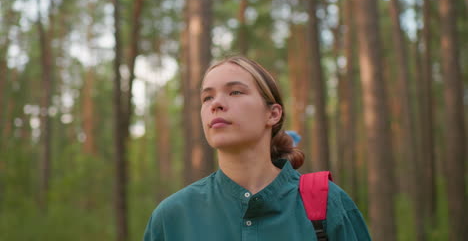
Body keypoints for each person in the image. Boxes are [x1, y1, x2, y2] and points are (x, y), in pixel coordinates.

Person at [143, 56, 371, 241]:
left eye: (235, 92)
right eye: (207, 97)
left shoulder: (328, 202)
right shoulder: (172, 217)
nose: (216, 104)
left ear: (272, 114)